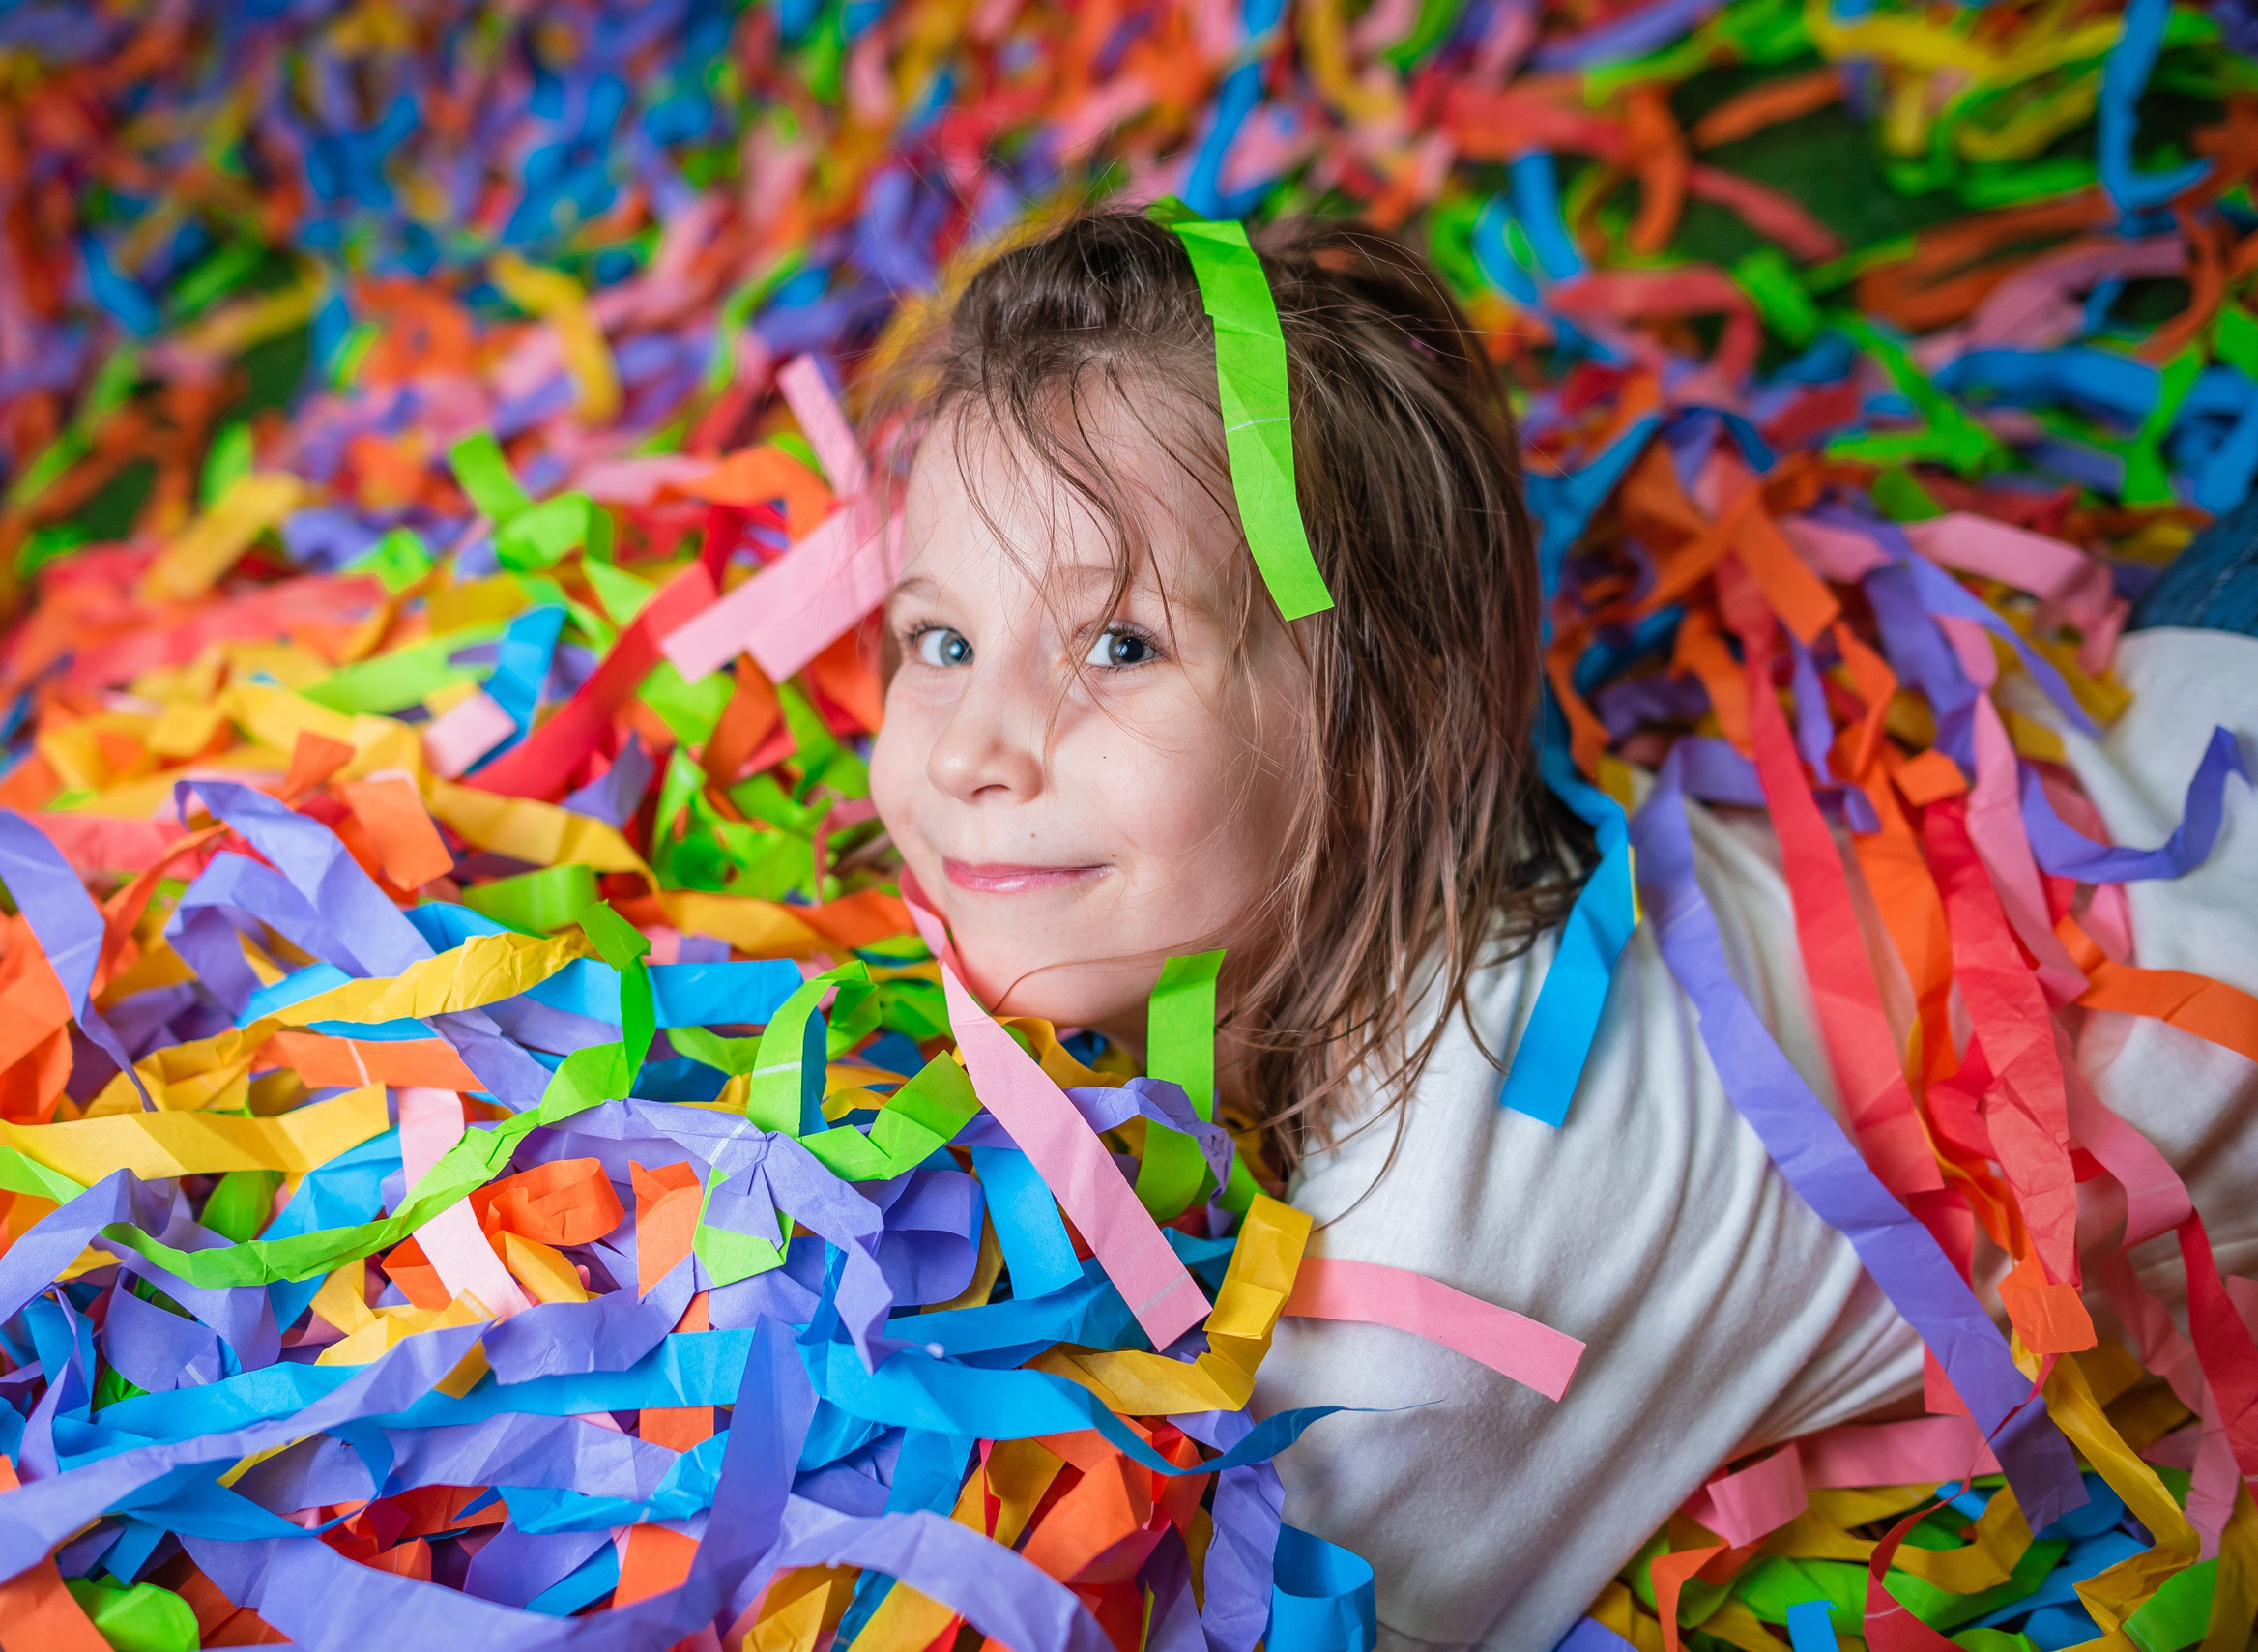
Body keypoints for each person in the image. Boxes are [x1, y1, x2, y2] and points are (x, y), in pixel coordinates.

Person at [856, 207, 2258, 1652]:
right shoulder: (1372, 892)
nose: (969, 752)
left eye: (1121, 643)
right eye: (941, 640)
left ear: (1383, 710)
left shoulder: (1429, 1304)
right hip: (2186, 671)